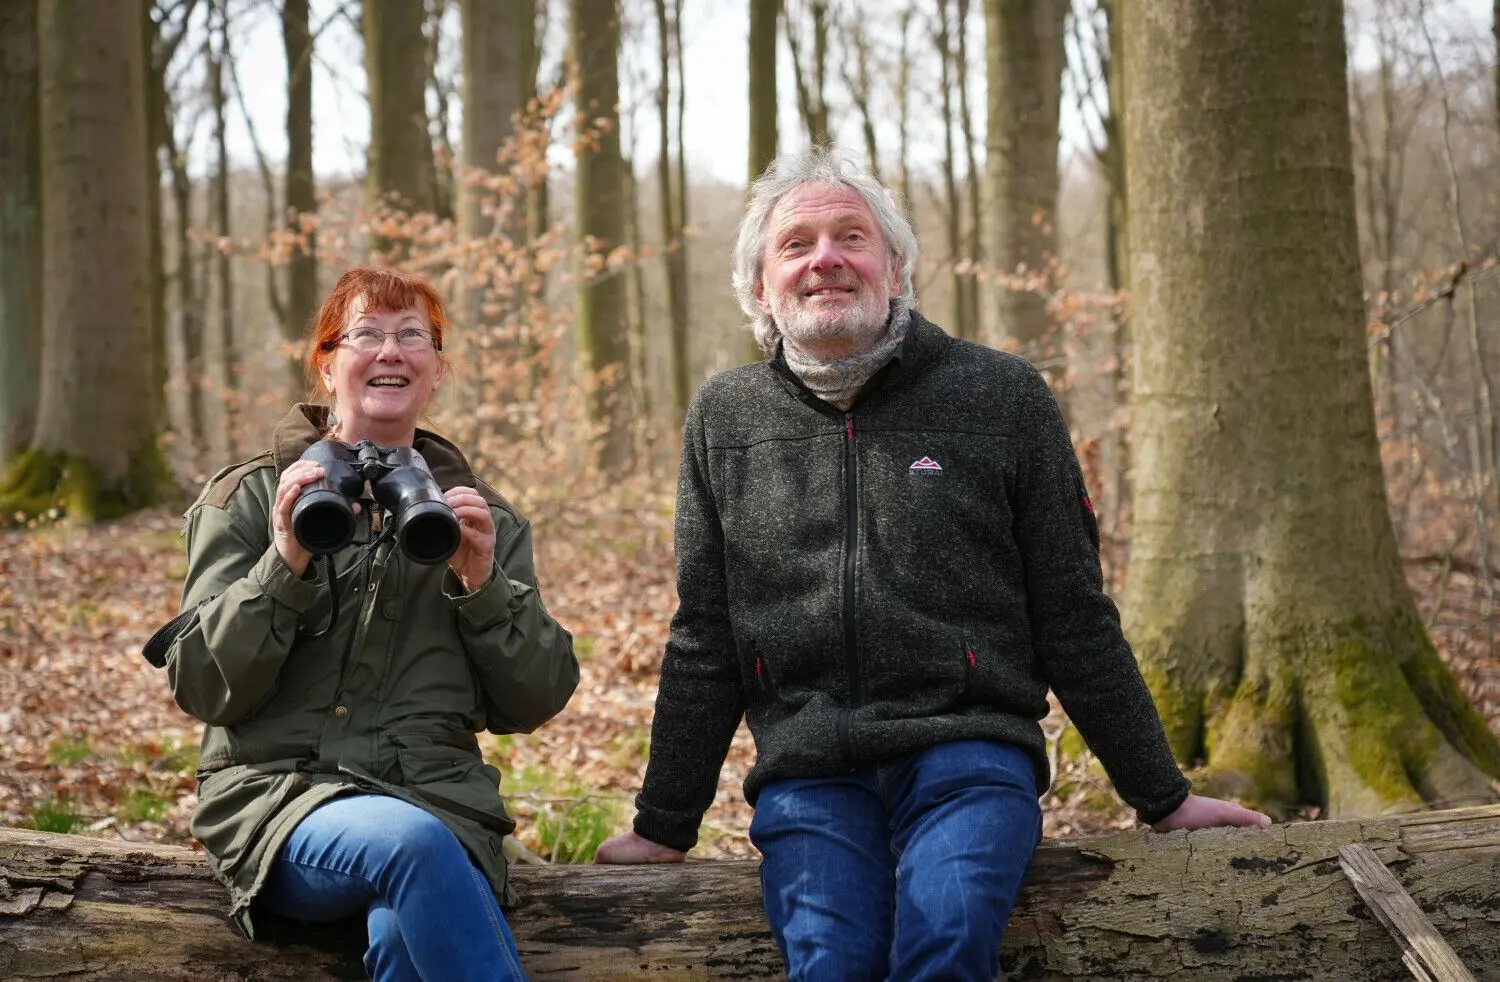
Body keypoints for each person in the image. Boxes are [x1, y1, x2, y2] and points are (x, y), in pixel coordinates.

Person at [594, 148, 1269, 980]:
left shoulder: (1002, 397)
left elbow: (1073, 613)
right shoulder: (725, 417)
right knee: (830, 964)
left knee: (945, 943)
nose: (826, 259)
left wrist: (1161, 797)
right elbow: (705, 636)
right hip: (810, 773)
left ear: (897, 269)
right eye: (796, 244)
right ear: (761, 287)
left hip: (970, 755)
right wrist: (665, 821)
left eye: (852, 236)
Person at [162, 265, 578, 981]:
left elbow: (535, 698)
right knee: (409, 847)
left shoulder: (483, 518)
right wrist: (283, 557)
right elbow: (201, 685)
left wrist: (480, 583)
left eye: (413, 335)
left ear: (438, 369)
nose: (391, 351)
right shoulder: (250, 497)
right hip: (280, 800)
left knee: (401, 942)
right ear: (327, 365)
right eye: (366, 334)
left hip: (439, 806)